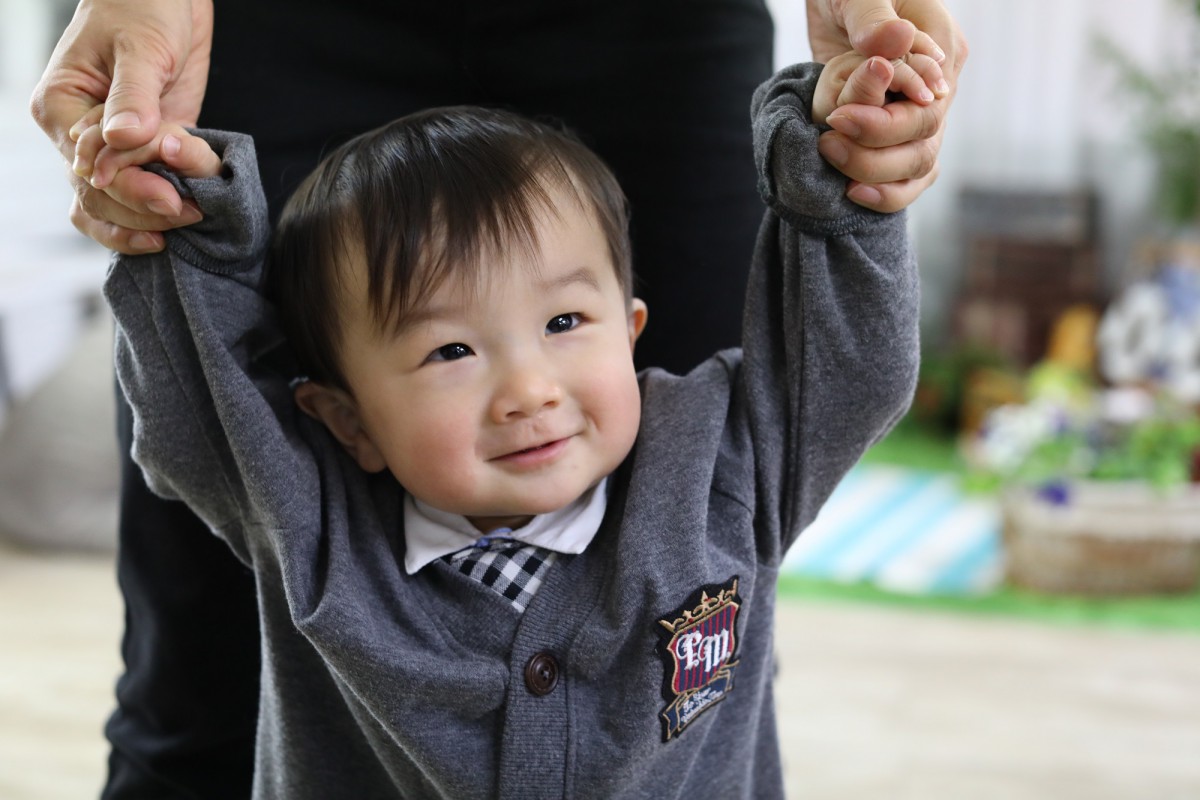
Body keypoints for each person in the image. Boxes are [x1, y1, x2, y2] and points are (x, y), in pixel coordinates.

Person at [32, 1, 966, 796]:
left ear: (634, 330)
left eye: (566, 325)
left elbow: (850, 370)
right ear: (344, 417)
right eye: (450, 349)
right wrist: (173, 224)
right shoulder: (305, 517)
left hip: (645, 27)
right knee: (190, 690)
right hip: (276, 20)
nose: (527, 391)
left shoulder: (723, 464)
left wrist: (842, 182)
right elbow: (206, 410)